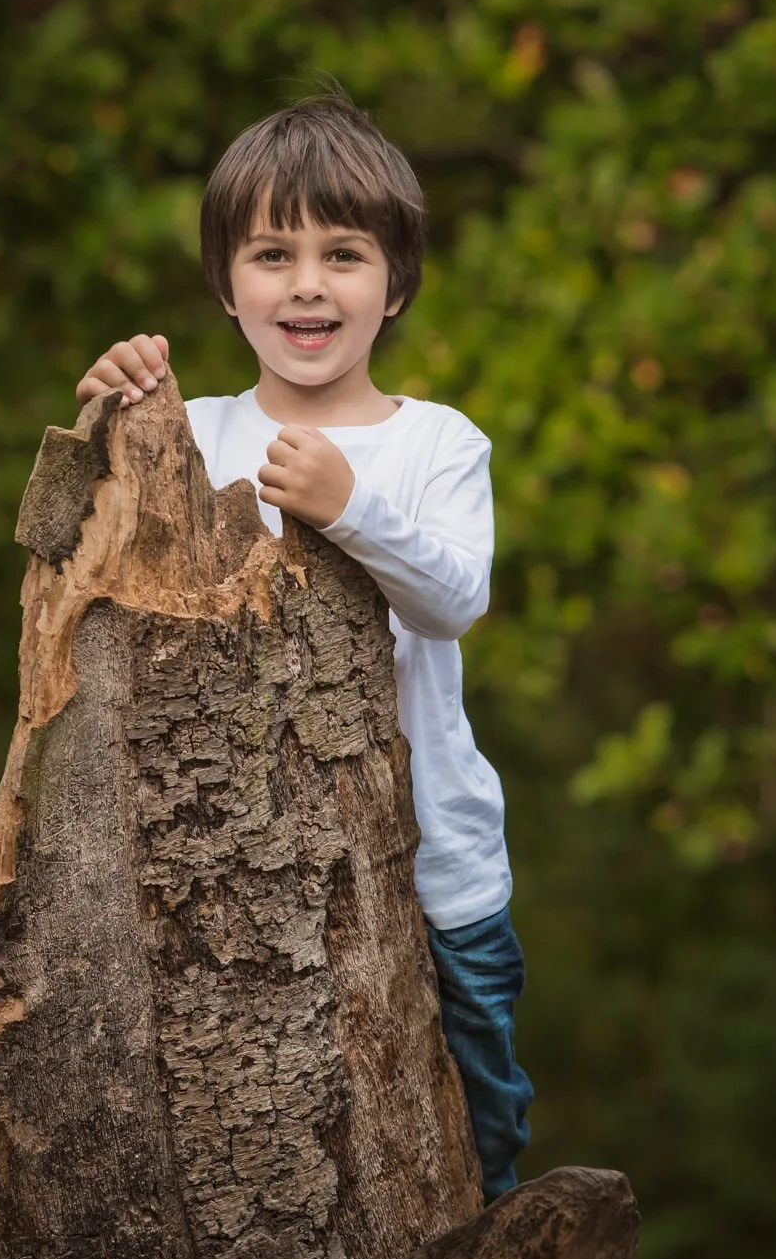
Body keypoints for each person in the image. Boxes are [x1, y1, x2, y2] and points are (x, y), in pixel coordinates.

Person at [72, 87, 532, 1201]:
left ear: (398, 284)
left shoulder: (433, 444)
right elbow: (90, 585)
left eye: (344, 253)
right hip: (221, 869)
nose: (307, 284)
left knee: (477, 1123)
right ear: (227, 287)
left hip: (431, 862)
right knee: (249, 1139)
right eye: (271, 253)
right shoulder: (195, 430)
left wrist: (348, 506)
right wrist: (95, 430)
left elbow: (452, 602)